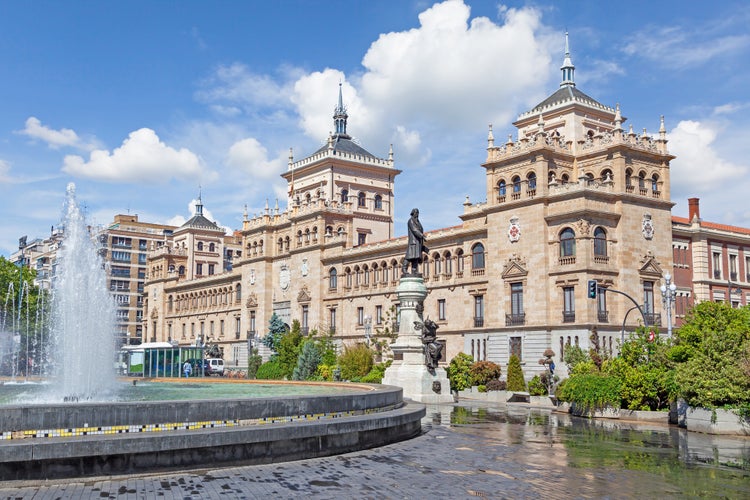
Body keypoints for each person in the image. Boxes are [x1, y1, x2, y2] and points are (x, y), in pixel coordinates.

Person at [402, 208, 428, 275]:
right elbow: (414, 230)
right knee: (409, 256)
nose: (417, 214)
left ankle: (414, 270)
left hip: (418, 242)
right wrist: (422, 235)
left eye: (418, 213)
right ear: (413, 213)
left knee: (416, 257)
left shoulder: (418, 222)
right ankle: (404, 268)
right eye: (416, 212)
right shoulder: (410, 221)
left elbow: (420, 229)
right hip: (413, 242)